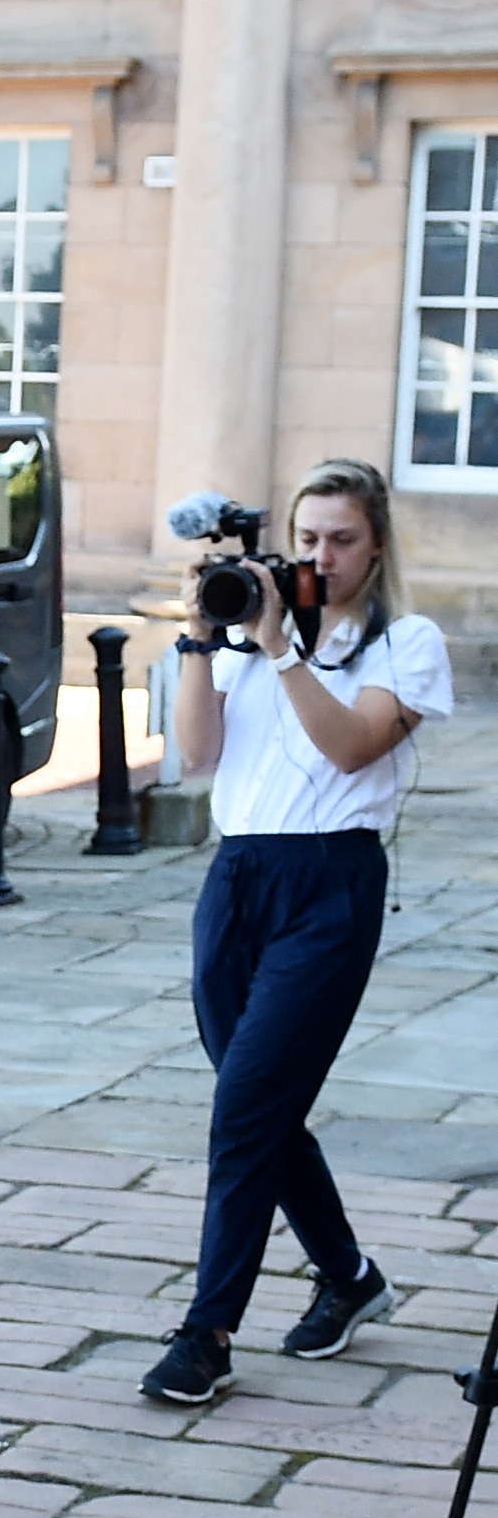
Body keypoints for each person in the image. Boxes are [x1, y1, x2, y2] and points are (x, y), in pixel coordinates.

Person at [139, 457, 457, 1405]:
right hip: (236, 877)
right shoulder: (247, 627)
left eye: (341, 539)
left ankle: (206, 1333)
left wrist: (281, 647)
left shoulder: (402, 642)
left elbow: (351, 746)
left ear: (377, 545)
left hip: (330, 884)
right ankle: (349, 1276)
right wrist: (203, 638)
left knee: (243, 1107)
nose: (320, 555)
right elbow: (196, 756)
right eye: (307, 537)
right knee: (259, 1104)